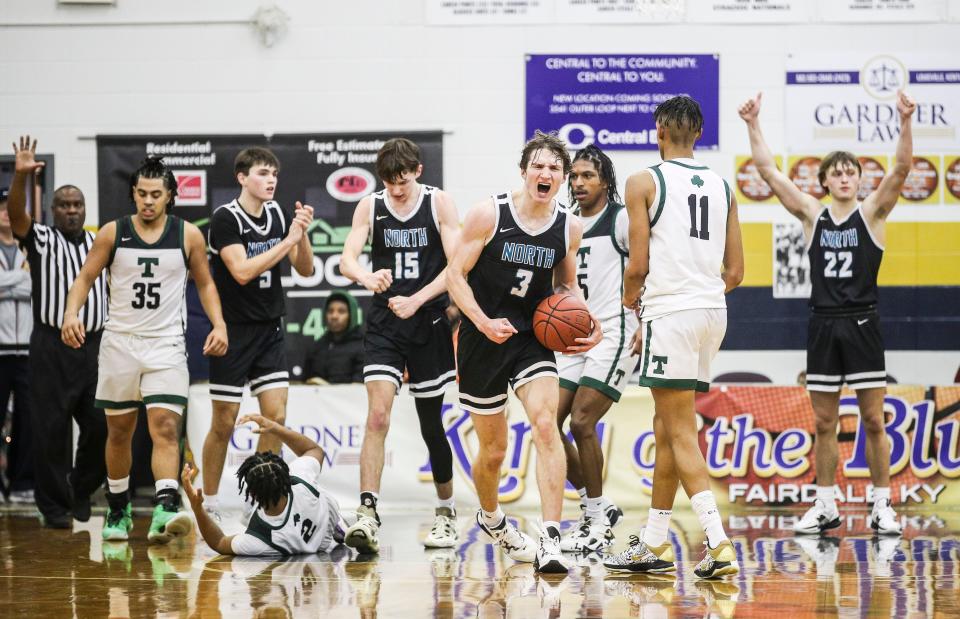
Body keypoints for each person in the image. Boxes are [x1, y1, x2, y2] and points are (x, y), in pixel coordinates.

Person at [739, 90, 916, 536]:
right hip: (822, 323)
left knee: (874, 420)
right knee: (823, 422)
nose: (843, 177)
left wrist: (905, 120)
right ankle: (825, 505)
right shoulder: (812, 216)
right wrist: (753, 124)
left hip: (862, 322)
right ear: (825, 181)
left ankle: (882, 505)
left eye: (849, 171)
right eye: (835, 172)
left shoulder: (872, 214)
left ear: (858, 179)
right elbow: (767, 171)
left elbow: (900, 170)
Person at [446, 130, 602, 573]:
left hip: (533, 336)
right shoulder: (488, 214)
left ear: (563, 177)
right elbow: (455, 275)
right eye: (539, 166)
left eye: (555, 167)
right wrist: (480, 321)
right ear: (523, 172)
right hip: (483, 337)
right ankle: (492, 517)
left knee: (545, 424)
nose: (546, 173)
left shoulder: (568, 226)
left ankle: (551, 538)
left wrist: (589, 318)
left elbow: (566, 285)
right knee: (493, 452)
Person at [603, 95, 744, 578]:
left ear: (658, 131)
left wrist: (632, 304)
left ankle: (719, 542)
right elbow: (738, 271)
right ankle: (654, 541)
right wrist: (697, 296)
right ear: (698, 134)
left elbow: (637, 265)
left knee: (680, 429)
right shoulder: (723, 186)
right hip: (712, 313)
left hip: (673, 314)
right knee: (667, 426)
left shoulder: (643, 181)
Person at [61, 155, 229, 543]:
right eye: (141, 194)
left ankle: (166, 508)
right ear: (133, 194)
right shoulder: (111, 233)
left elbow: (205, 284)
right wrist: (72, 313)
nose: (148, 201)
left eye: (156, 194)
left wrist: (218, 323)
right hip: (120, 342)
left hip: (166, 344)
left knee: (165, 428)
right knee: (118, 430)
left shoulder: (187, 235)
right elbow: (85, 277)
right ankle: (118, 509)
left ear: (170, 195)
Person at [339, 138, 461, 553]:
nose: (397, 189)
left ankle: (445, 512)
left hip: (426, 320)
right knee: (377, 417)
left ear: (418, 172)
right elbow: (347, 258)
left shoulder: (439, 203)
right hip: (386, 323)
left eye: (403, 180)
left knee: (431, 425)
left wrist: (418, 299)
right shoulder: (370, 206)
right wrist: (366, 277)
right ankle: (367, 513)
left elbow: (457, 268)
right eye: (390, 183)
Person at [200, 147, 315, 522]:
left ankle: (264, 499)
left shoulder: (278, 213)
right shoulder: (225, 218)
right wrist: (286, 240)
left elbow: (305, 268)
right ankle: (211, 503)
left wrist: (301, 234)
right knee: (223, 422)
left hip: (269, 330)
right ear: (242, 177)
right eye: (263, 173)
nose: (271, 181)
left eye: (275, 175)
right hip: (233, 332)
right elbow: (242, 272)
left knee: (275, 416)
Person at [7, 136, 108, 528]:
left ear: (85, 210)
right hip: (51, 344)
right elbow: (17, 216)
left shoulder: (101, 243)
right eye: (64, 205)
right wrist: (20, 178)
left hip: (95, 345)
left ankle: (80, 490)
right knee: (50, 429)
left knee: (100, 425)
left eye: (77, 205)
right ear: (52, 210)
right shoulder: (41, 239)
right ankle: (54, 508)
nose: (71, 211)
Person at [554, 145, 635, 553]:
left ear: (605, 180)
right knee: (547, 426)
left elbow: (646, 271)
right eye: (575, 176)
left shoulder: (621, 220)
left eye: (588, 175)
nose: (579, 182)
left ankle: (597, 521)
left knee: (582, 422)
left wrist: (647, 320)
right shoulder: (563, 224)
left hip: (613, 332)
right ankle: (598, 506)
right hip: (571, 338)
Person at [183, 413, 349, 556]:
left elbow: (219, 542)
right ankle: (340, 525)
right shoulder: (299, 478)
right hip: (328, 515)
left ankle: (339, 526)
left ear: (253, 495)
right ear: (286, 479)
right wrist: (276, 429)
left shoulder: (260, 540)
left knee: (248, 516)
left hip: (316, 546)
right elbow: (315, 450)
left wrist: (198, 509)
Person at [0, 187, 34, 503]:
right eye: (2, 209)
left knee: (27, 419)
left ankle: (22, 484)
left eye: (11, 209)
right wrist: (18, 282)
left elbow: (37, 286)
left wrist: (6, 284)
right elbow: (25, 284)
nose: (7, 214)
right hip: (0, 351)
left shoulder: (30, 247)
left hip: (27, 350)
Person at [302, 290, 364, 385]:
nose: (334, 316)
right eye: (330, 311)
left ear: (352, 315)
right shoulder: (317, 347)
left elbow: (359, 388)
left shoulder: (363, 347)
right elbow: (304, 383)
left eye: (341, 311)